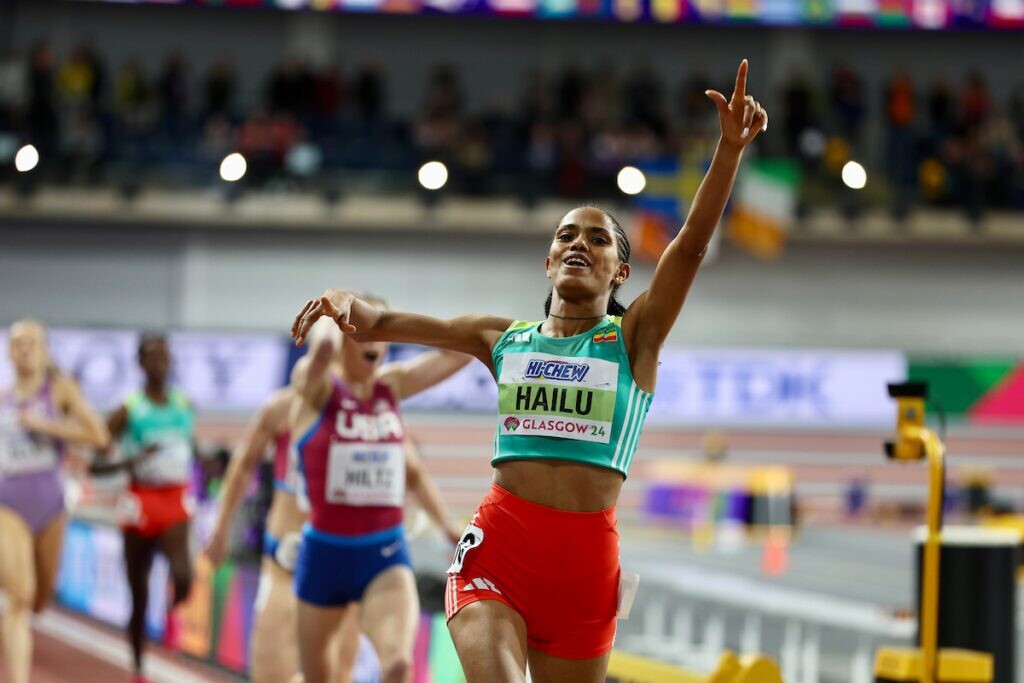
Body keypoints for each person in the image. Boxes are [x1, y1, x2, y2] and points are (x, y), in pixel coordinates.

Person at [291, 60, 767, 683]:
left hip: (586, 572)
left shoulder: (635, 338)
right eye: (566, 235)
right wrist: (350, 305)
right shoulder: (504, 338)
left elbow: (691, 246)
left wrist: (728, 151)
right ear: (548, 261)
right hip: (499, 553)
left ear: (622, 272)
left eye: (598, 239)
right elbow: (386, 323)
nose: (579, 243)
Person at [290, 305, 469, 683]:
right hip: (324, 556)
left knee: (398, 665)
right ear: (344, 340)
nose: (375, 343)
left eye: (381, 335)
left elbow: (460, 354)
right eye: (363, 334)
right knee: (317, 677)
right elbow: (322, 351)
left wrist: (394, 325)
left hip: (384, 554)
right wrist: (333, 310)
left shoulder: (392, 385)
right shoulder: (317, 386)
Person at [203, 329, 362, 683]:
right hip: (284, 566)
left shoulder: (364, 413)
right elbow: (243, 465)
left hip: (341, 570)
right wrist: (220, 527)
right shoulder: (281, 408)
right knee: (270, 673)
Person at [0, 320, 109, 683]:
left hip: (51, 507)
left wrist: (45, 426)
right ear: (9, 353)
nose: (25, 350)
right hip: (8, 505)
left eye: (31, 343)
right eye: (17, 344)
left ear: (45, 351)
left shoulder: (60, 392)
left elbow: (99, 436)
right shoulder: (2, 400)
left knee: (39, 600)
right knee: (19, 596)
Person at [105, 334, 196, 683]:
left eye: (165, 355)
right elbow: (96, 463)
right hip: (140, 501)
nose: (160, 362)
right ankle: (139, 667)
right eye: (153, 356)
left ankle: (173, 611)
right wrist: (133, 461)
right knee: (138, 594)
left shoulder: (184, 405)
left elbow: (189, 448)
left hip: (174, 498)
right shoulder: (128, 409)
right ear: (140, 363)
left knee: (184, 575)